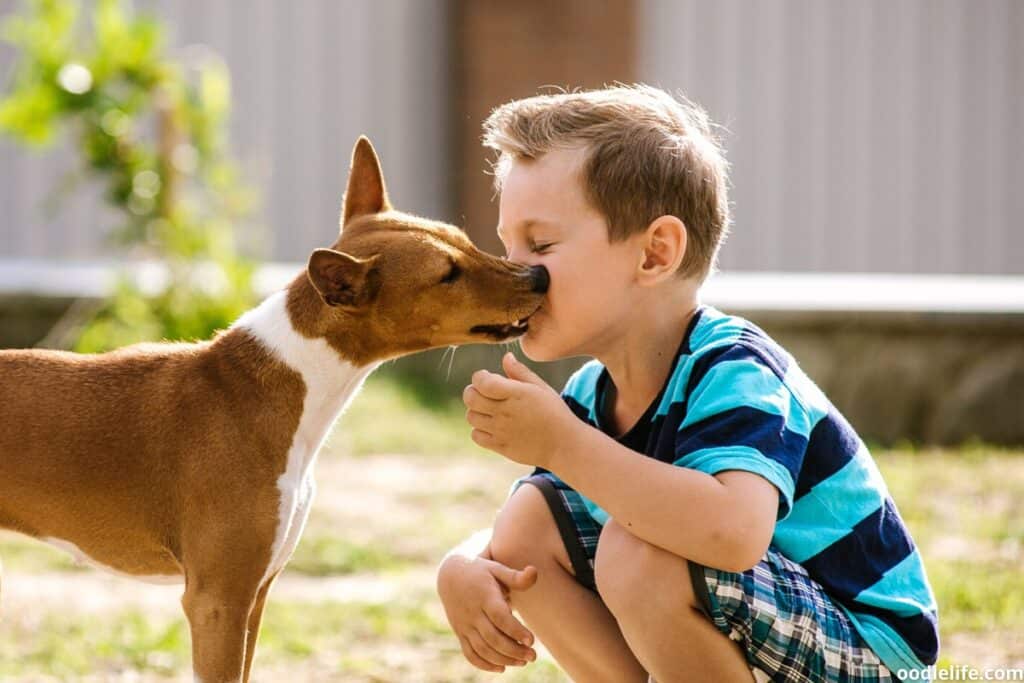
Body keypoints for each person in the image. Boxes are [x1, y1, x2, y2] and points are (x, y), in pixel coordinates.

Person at [436, 84, 938, 682]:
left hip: (869, 652)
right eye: (507, 244)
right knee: (529, 524)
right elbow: (524, 525)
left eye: (540, 244)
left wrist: (562, 443)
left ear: (655, 254)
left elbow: (732, 533)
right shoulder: (593, 393)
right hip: (773, 635)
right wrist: (461, 566)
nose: (514, 269)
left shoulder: (737, 371)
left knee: (639, 553)